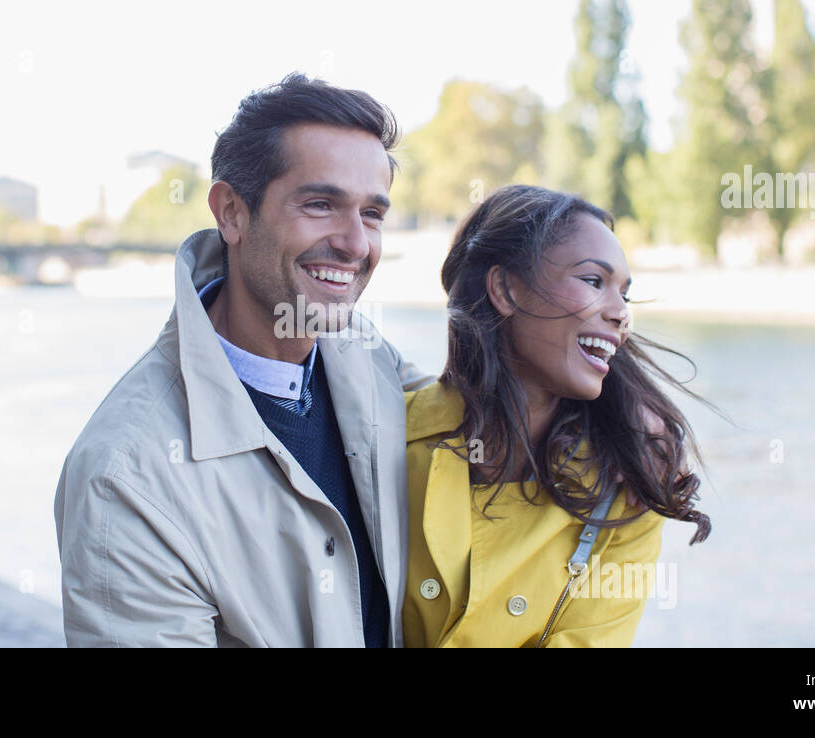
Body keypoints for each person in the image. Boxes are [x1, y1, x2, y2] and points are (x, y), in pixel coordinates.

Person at [54, 73, 432, 647]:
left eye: (372, 214)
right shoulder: (125, 478)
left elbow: (498, 409)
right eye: (321, 204)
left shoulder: (365, 355)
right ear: (231, 212)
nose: (356, 244)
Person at [402, 185, 712, 648]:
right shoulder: (382, 436)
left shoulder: (630, 484)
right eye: (593, 281)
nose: (621, 314)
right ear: (505, 288)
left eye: (625, 293)